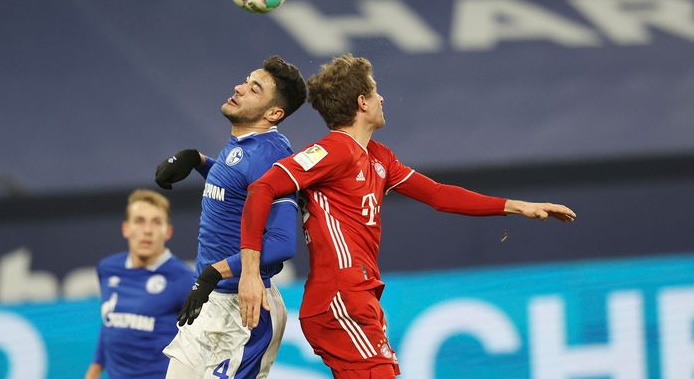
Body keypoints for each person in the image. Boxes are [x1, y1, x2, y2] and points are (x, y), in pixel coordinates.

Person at [238, 54, 577, 378]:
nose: (382, 97)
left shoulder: (378, 157)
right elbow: (262, 189)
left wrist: (518, 206)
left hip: (359, 296)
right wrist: (250, 273)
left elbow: (439, 195)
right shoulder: (332, 151)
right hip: (340, 295)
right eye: (374, 90)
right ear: (362, 103)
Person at [155, 55, 307, 378]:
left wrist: (215, 272)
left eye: (254, 89)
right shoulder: (245, 142)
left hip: (246, 310)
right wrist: (198, 161)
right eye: (245, 80)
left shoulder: (273, 154)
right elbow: (239, 186)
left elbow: (281, 243)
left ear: (274, 113)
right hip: (208, 302)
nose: (239, 88)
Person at [85, 189, 196, 379]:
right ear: (125, 228)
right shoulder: (108, 269)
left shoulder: (184, 279)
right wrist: (95, 369)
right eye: (139, 221)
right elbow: (110, 324)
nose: (147, 230)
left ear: (167, 231)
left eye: (156, 222)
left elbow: (206, 339)